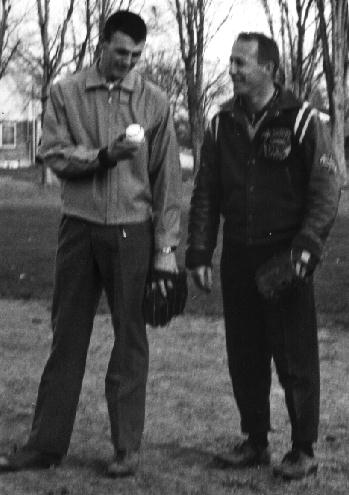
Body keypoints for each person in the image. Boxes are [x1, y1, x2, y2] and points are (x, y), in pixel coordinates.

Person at [0, 11, 181, 477]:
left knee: (131, 340)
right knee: (67, 338)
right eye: (121, 52)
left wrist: (166, 249)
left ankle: (127, 447)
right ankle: (45, 444)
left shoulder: (155, 101)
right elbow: (54, 154)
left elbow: (166, 184)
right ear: (102, 44)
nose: (128, 61)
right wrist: (103, 156)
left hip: (133, 231)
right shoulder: (65, 92)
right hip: (78, 229)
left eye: (137, 55)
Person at [185, 32, 340, 481]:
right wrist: (199, 251)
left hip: (285, 253)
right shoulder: (220, 123)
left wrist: (306, 249)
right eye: (231, 62)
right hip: (238, 253)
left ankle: (303, 448)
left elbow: (326, 188)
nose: (232, 70)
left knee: (294, 355)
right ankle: (255, 440)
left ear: (268, 69)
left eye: (241, 63)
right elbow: (206, 193)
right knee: (245, 354)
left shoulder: (303, 120)